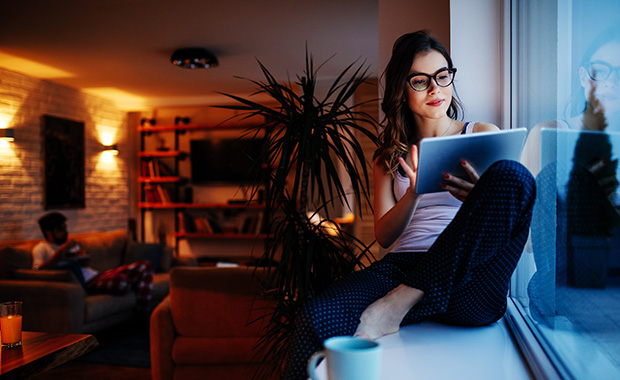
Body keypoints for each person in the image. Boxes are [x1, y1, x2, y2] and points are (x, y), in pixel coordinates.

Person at [282, 30, 536, 379]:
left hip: (470, 280)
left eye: (442, 76)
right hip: (404, 268)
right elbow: (385, 237)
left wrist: (481, 198)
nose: (435, 89)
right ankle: (408, 295)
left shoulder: (480, 132)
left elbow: (512, 212)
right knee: (315, 317)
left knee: (515, 176)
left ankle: (404, 300)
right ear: (403, 87)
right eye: (421, 80)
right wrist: (413, 194)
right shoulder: (388, 156)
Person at [32, 212, 154, 312]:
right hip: (88, 284)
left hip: (98, 275)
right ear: (49, 233)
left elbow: (86, 264)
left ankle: (142, 310)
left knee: (145, 265)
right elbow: (36, 272)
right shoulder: (41, 248)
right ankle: (143, 310)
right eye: (61, 229)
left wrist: (83, 258)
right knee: (123, 282)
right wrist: (59, 255)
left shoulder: (69, 245)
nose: (66, 231)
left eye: (65, 227)